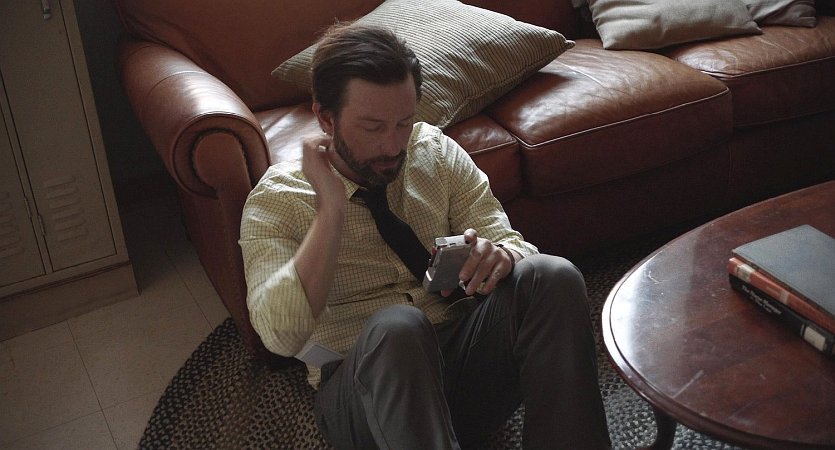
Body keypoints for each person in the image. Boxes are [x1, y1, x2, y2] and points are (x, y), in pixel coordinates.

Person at [239, 22, 611, 450]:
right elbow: (280, 337)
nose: (393, 146)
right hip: (366, 392)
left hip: (463, 361)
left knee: (552, 275)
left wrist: (502, 256)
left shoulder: (434, 153)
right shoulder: (278, 200)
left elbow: (513, 243)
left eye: (404, 122)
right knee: (398, 328)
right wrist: (331, 212)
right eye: (373, 127)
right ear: (326, 117)